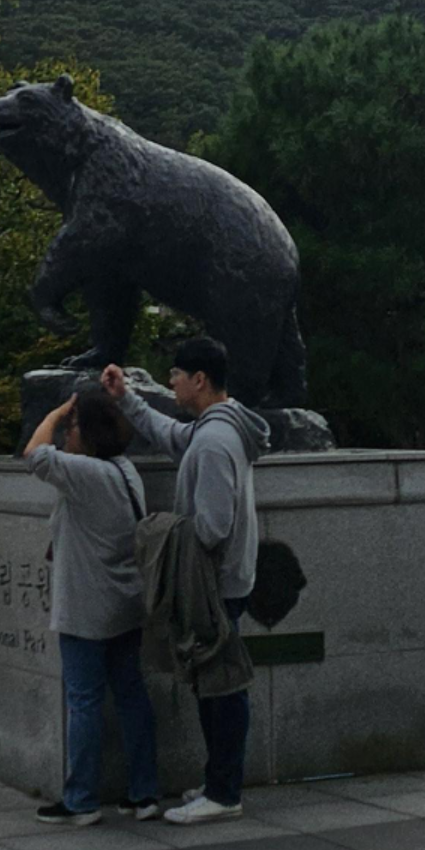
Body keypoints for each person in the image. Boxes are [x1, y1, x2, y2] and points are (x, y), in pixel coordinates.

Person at [103, 339, 266, 823]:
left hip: (214, 583)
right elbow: (171, 435)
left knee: (222, 686)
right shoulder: (216, 427)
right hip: (223, 579)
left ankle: (224, 792)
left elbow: (213, 525)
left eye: (175, 374)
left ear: (200, 379)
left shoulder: (216, 440)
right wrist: (127, 398)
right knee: (213, 681)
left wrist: (165, 531)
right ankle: (219, 782)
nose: (169, 381)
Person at [23, 381, 160, 828]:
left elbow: (34, 455)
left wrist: (55, 413)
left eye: (75, 427)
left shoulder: (90, 475)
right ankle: (144, 793)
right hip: (125, 604)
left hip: (86, 607)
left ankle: (80, 798)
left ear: (92, 431)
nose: (67, 434)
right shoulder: (124, 471)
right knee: (131, 696)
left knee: (83, 701)